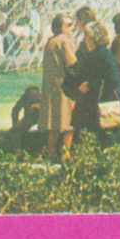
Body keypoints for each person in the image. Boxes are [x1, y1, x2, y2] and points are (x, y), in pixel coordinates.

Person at [71, 20, 120, 170]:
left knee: (109, 138)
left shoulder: (97, 54)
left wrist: (86, 85)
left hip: (108, 103)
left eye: (86, 37)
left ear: (93, 38)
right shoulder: (105, 52)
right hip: (116, 100)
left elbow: (105, 79)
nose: (84, 40)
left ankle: (108, 173)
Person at [40, 13, 79, 160]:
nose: (71, 28)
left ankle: (51, 152)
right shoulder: (65, 41)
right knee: (68, 121)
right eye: (68, 25)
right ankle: (65, 153)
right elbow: (72, 64)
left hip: (52, 86)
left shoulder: (50, 42)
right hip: (66, 86)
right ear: (59, 27)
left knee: (53, 121)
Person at [6, 86, 42, 151]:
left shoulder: (25, 96)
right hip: (42, 114)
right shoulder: (42, 94)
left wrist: (15, 124)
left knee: (15, 132)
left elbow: (15, 110)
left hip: (31, 114)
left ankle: (19, 150)